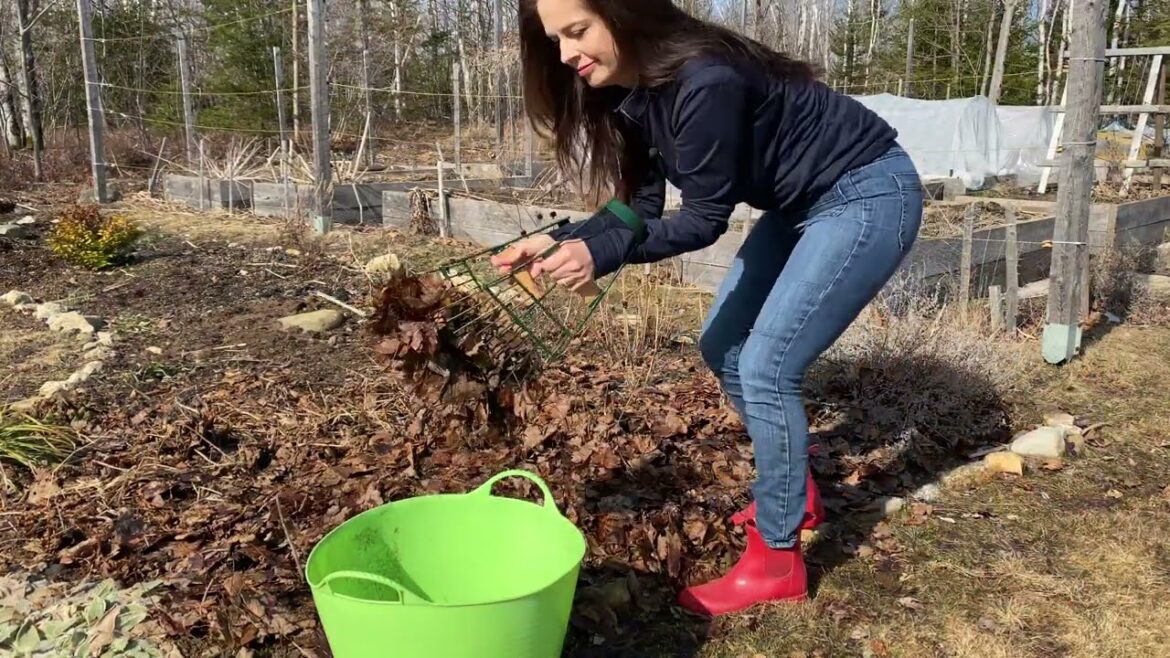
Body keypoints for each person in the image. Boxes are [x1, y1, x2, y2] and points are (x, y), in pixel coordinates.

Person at [493, 0, 924, 616]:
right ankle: (794, 493)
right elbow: (637, 212)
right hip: (797, 204)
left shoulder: (705, 79)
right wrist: (562, 241)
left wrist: (600, 255)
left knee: (767, 368)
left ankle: (777, 561)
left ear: (625, 14)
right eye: (555, 39)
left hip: (865, 191)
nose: (565, 54)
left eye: (577, 31)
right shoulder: (630, 93)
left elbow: (701, 221)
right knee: (722, 345)